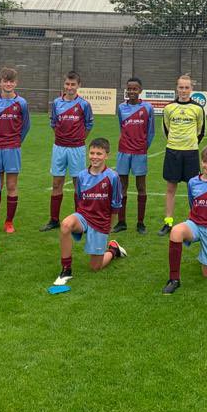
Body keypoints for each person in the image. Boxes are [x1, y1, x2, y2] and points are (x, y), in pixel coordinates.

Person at [162, 145, 207, 294]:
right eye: (205, 162)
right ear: (201, 162)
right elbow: (192, 203)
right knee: (176, 231)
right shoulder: (193, 182)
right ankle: (174, 279)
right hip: (195, 224)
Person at [54, 138, 127, 283]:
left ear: (107, 155)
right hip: (83, 217)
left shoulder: (113, 177)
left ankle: (113, 250)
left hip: (101, 221)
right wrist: (78, 219)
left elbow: (116, 206)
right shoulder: (81, 176)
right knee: (66, 225)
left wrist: (109, 228)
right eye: (92, 153)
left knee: (95, 267)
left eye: (99, 154)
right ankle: (66, 269)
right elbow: (79, 199)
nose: (95, 157)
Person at [41, 71, 94, 232]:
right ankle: (54, 219)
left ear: (79, 86)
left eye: (73, 84)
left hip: (77, 148)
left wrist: (78, 139)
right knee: (56, 183)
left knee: (78, 184)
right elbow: (53, 123)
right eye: (67, 84)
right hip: (59, 148)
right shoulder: (57, 103)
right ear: (64, 84)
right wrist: (61, 138)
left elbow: (89, 124)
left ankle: (80, 219)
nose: (70, 87)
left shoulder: (84, 104)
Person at [0, 67, 30, 233]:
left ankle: (9, 222)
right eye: (5, 80)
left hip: (12, 148)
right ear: (0, 82)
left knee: (11, 185)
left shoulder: (21, 103)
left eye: (11, 81)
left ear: (16, 83)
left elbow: (26, 126)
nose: (8, 84)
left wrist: (16, 141)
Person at [159, 74, 206, 236]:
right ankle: (168, 222)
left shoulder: (198, 109)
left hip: (191, 153)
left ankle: (194, 221)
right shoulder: (169, 108)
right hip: (172, 151)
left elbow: (201, 131)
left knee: (193, 188)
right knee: (171, 187)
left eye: (187, 87)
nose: (184, 90)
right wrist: (176, 143)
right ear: (176, 88)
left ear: (191, 89)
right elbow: (166, 129)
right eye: (181, 87)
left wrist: (190, 144)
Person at [115, 77, 155, 234]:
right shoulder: (121, 108)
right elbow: (121, 126)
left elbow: (151, 131)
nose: (132, 91)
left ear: (140, 90)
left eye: (135, 89)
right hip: (123, 151)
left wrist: (144, 146)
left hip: (139, 152)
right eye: (129, 89)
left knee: (141, 187)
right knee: (122, 187)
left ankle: (140, 223)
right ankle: (121, 222)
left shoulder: (148, 108)